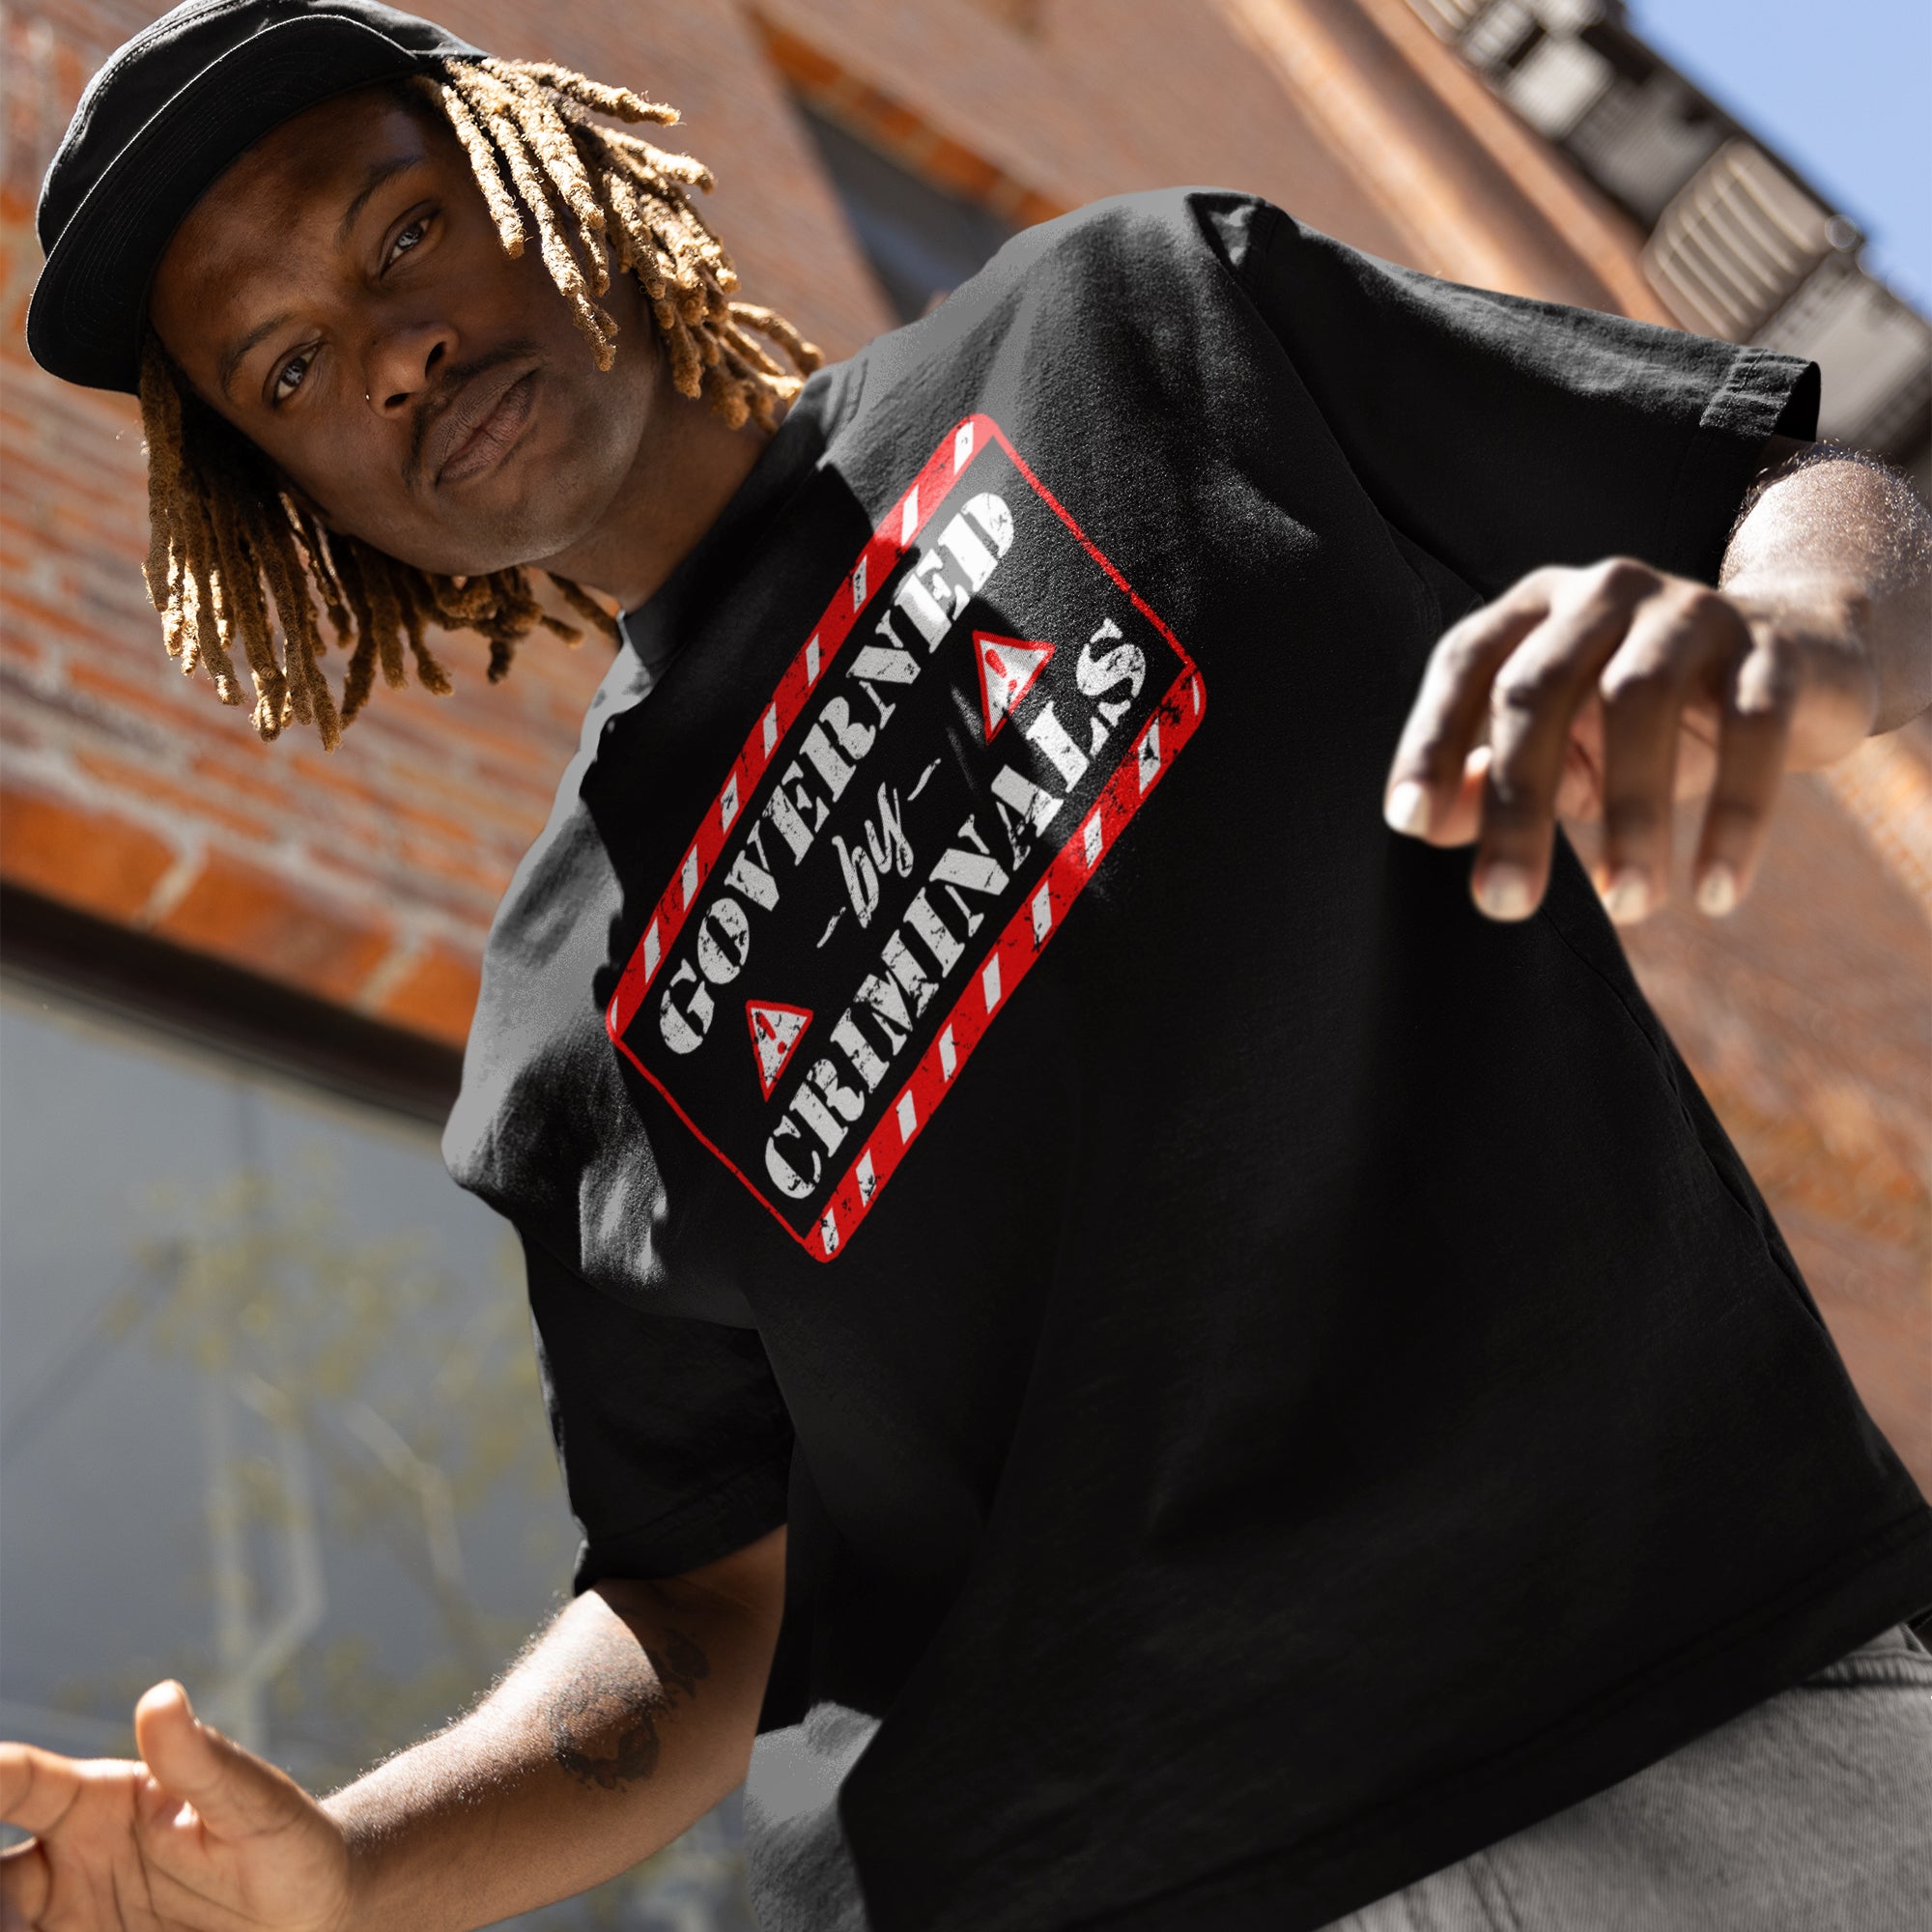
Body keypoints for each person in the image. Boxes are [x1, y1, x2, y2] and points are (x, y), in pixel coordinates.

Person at [5, 2, 1930, 1927]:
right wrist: (355, 1868)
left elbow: (1805, 490)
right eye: (292, 365)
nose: (395, 351)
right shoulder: (558, 1016)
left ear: (544, 164)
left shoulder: (1135, 324)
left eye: (401, 233)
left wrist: (1798, 645)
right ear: (300, 493)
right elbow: (692, 1618)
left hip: (1712, 1712)